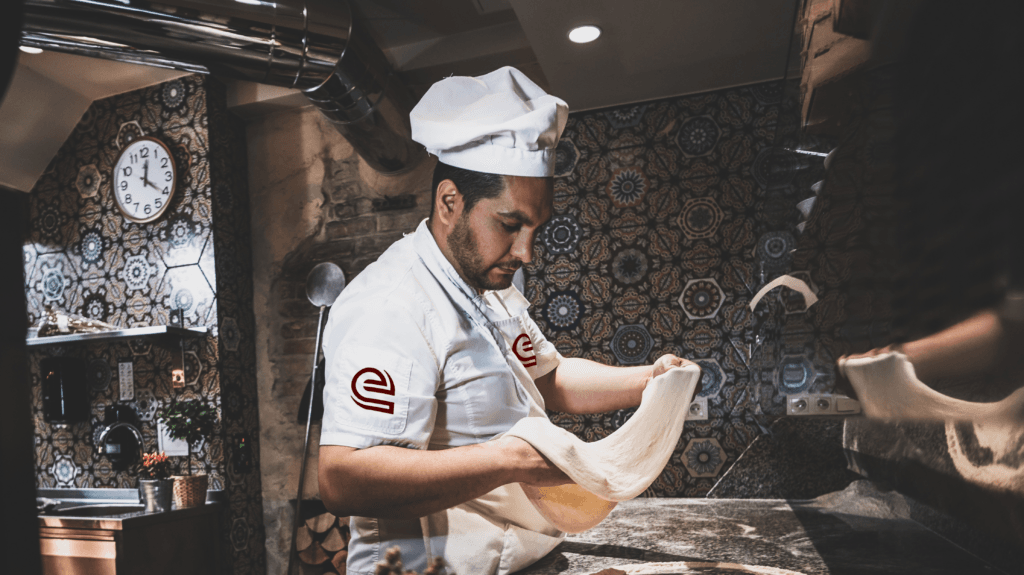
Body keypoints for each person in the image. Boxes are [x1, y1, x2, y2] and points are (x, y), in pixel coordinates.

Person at [317, 66, 694, 574]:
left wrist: (650, 381)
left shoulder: (483, 286)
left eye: (535, 228)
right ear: (450, 201)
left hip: (518, 556)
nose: (527, 252)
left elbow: (550, 377)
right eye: (511, 224)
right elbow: (344, 479)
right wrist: (510, 459)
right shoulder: (391, 305)